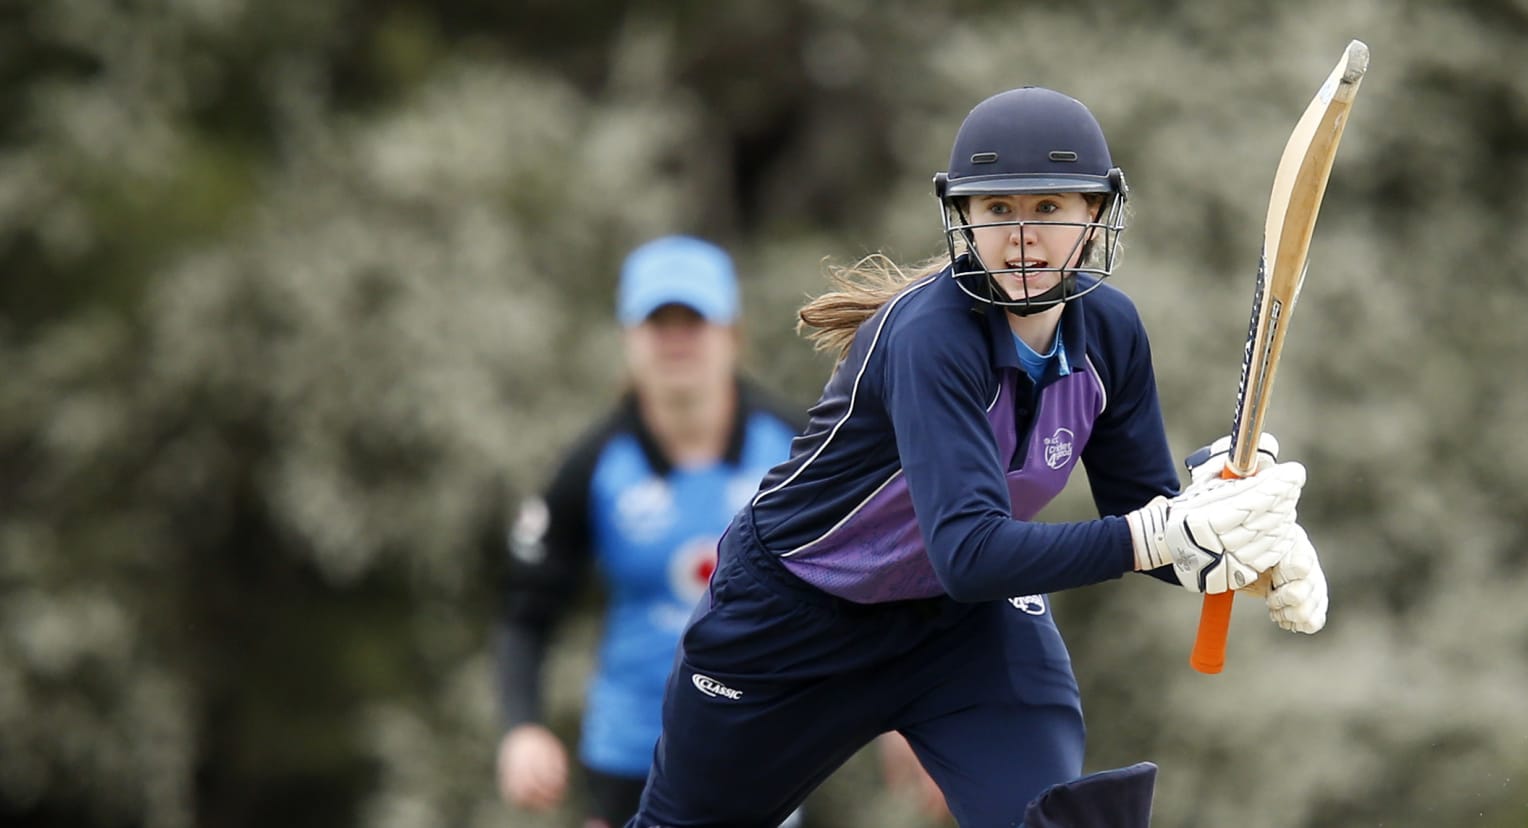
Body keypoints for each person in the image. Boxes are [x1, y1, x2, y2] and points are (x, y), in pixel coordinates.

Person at [626, 87, 1330, 828]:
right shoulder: (933, 338)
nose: (1022, 235)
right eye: (999, 210)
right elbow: (972, 552)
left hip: (964, 629)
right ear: (964, 217)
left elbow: (1144, 523)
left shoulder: (1112, 333)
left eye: (1050, 209)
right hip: (792, 621)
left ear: (1095, 215)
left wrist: (1248, 554)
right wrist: (1165, 533)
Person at [492, 236, 851, 826]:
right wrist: (522, 728)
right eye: (660, 323)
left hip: (763, 750)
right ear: (629, 338)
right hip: (627, 756)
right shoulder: (593, 465)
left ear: (732, 333)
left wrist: (903, 721)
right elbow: (526, 614)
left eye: (695, 320)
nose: (677, 340)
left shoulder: (797, 448)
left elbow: (878, 582)